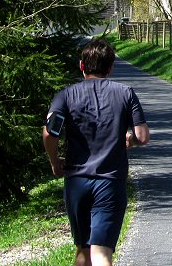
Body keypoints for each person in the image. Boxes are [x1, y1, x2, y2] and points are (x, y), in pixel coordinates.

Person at [43, 38, 150, 266]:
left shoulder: (65, 95)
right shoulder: (125, 93)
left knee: (83, 252)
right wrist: (130, 139)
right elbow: (142, 136)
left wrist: (54, 162)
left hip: (76, 182)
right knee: (101, 254)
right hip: (110, 183)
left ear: (81, 65)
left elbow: (49, 133)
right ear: (110, 68)